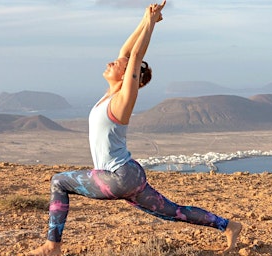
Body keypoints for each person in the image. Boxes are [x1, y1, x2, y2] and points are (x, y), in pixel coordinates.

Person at [27, 1, 242, 255]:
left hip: (119, 177)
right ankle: (228, 225)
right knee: (173, 212)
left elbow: (135, 56)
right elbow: (127, 51)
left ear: (129, 75)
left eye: (120, 64)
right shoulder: (109, 96)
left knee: (59, 182)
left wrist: (151, 24)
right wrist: (144, 17)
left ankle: (52, 246)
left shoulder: (123, 100)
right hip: (129, 176)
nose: (112, 61)